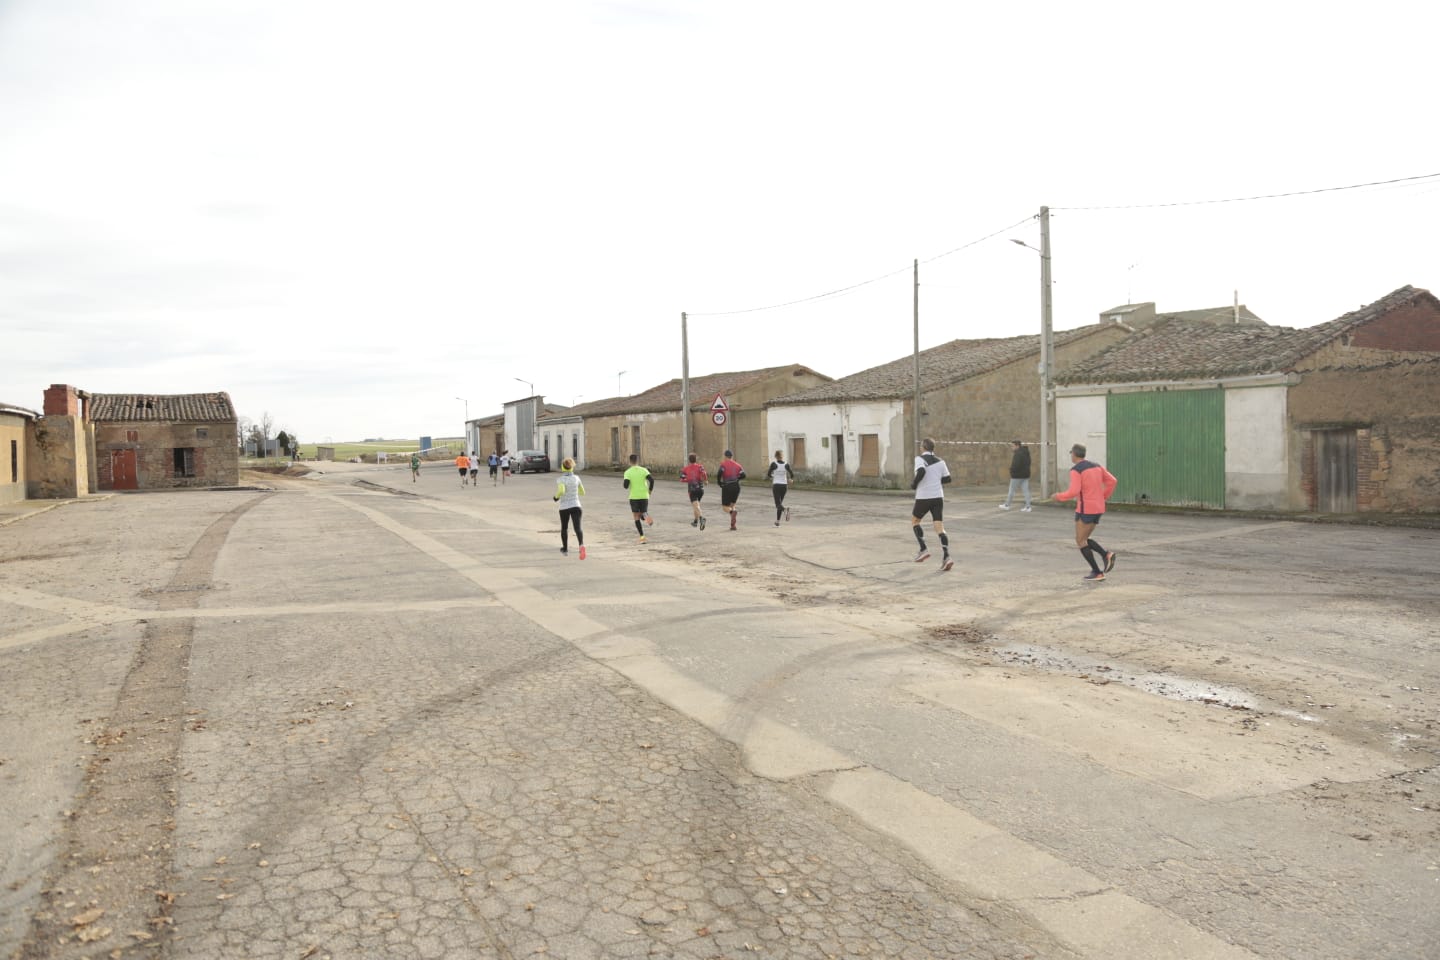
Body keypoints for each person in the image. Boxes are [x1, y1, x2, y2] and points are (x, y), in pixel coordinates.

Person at [1053, 442, 1118, 582]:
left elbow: (1074, 491)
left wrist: (1059, 496)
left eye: (1071, 453)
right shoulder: (1097, 466)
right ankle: (1105, 556)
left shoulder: (1076, 470)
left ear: (1074, 454)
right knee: (1084, 539)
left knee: (1080, 540)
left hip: (1086, 509)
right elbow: (1112, 481)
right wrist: (1103, 496)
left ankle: (1098, 570)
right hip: (1099, 507)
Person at [910, 437, 953, 571]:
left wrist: (914, 484)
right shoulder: (941, 461)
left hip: (924, 496)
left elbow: (921, 471)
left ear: (923, 447)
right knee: (939, 527)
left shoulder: (919, 459)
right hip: (938, 497)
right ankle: (947, 557)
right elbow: (947, 479)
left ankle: (923, 549)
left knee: (915, 521)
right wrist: (935, 478)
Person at [553, 457, 586, 559]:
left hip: (564, 507)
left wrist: (556, 497)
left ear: (563, 467)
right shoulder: (577, 478)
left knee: (564, 527)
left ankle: (565, 548)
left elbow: (561, 491)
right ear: (572, 467)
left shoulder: (560, 479)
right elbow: (583, 492)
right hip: (576, 505)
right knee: (578, 527)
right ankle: (581, 545)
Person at [622, 454, 655, 543]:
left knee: (636, 516)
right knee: (643, 512)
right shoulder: (644, 470)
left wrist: (625, 481)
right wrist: (650, 490)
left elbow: (625, 486)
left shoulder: (628, 472)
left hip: (634, 497)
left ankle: (642, 537)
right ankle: (645, 515)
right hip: (644, 496)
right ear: (638, 461)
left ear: (630, 461)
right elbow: (651, 480)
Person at [999, 440, 1032, 511]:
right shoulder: (1026, 452)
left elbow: (1016, 465)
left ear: (1017, 446)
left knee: (1011, 491)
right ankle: (1028, 507)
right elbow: (1029, 462)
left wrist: (1011, 470)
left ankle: (1007, 505)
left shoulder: (1018, 454)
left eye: (1012, 446)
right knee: (1026, 491)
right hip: (1025, 475)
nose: (1011, 447)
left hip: (1017, 475)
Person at [717, 450, 745, 530]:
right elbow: (743, 475)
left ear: (725, 456)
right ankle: (733, 525)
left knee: (725, 507)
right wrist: (737, 479)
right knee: (732, 505)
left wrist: (719, 482)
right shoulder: (738, 465)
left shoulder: (723, 464)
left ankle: (732, 512)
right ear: (732, 457)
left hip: (727, 486)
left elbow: (719, 473)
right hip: (736, 487)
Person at [680, 453, 708, 530]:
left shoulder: (685, 469)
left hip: (692, 490)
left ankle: (701, 519)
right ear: (696, 460)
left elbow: (681, 479)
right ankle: (695, 521)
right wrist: (705, 480)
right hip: (701, 490)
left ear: (689, 460)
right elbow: (704, 473)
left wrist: (688, 480)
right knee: (696, 505)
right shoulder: (700, 467)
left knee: (696, 505)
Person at [766, 450, 792, 526]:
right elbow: (792, 474)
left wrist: (774, 476)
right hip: (784, 486)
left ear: (775, 456)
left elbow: (768, 474)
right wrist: (790, 479)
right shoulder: (786, 464)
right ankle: (777, 521)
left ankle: (785, 510)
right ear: (782, 456)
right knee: (780, 503)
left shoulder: (774, 464)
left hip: (776, 485)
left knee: (778, 504)